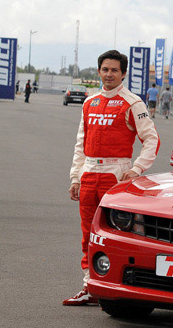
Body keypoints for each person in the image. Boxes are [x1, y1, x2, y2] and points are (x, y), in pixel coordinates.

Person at [64, 50, 160, 305]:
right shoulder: (89, 102)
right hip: (89, 175)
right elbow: (80, 144)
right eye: (105, 69)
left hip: (116, 177)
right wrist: (76, 177)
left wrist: (137, 169)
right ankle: (89, 285)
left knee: (115, 235)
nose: (109, 74)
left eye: (114, 70)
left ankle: (118, 286)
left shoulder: (133, 102)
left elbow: (151, 139)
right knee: (88, 234)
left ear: (123, 73)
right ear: (99, 72)